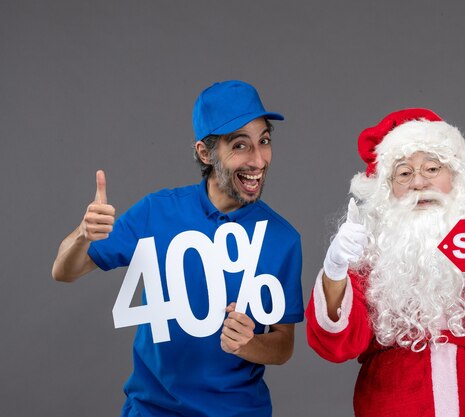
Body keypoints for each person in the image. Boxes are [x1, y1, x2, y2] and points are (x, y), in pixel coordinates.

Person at [52, 80, 304, 417]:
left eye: (265, 141)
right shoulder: (157, 211)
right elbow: (64, 271)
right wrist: (83, 234)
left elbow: (284, 343)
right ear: (205, 153)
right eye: (241, 145)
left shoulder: (282, 238)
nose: (259, 160)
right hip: (152, 410)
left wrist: (250, 344)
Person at [305, 108, 465, 417]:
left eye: (432, 169)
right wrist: (336, 270)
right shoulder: (370, 255)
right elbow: (335, 347)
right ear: (388, 189)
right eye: (404, 173)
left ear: (456, 177)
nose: (419, 182)